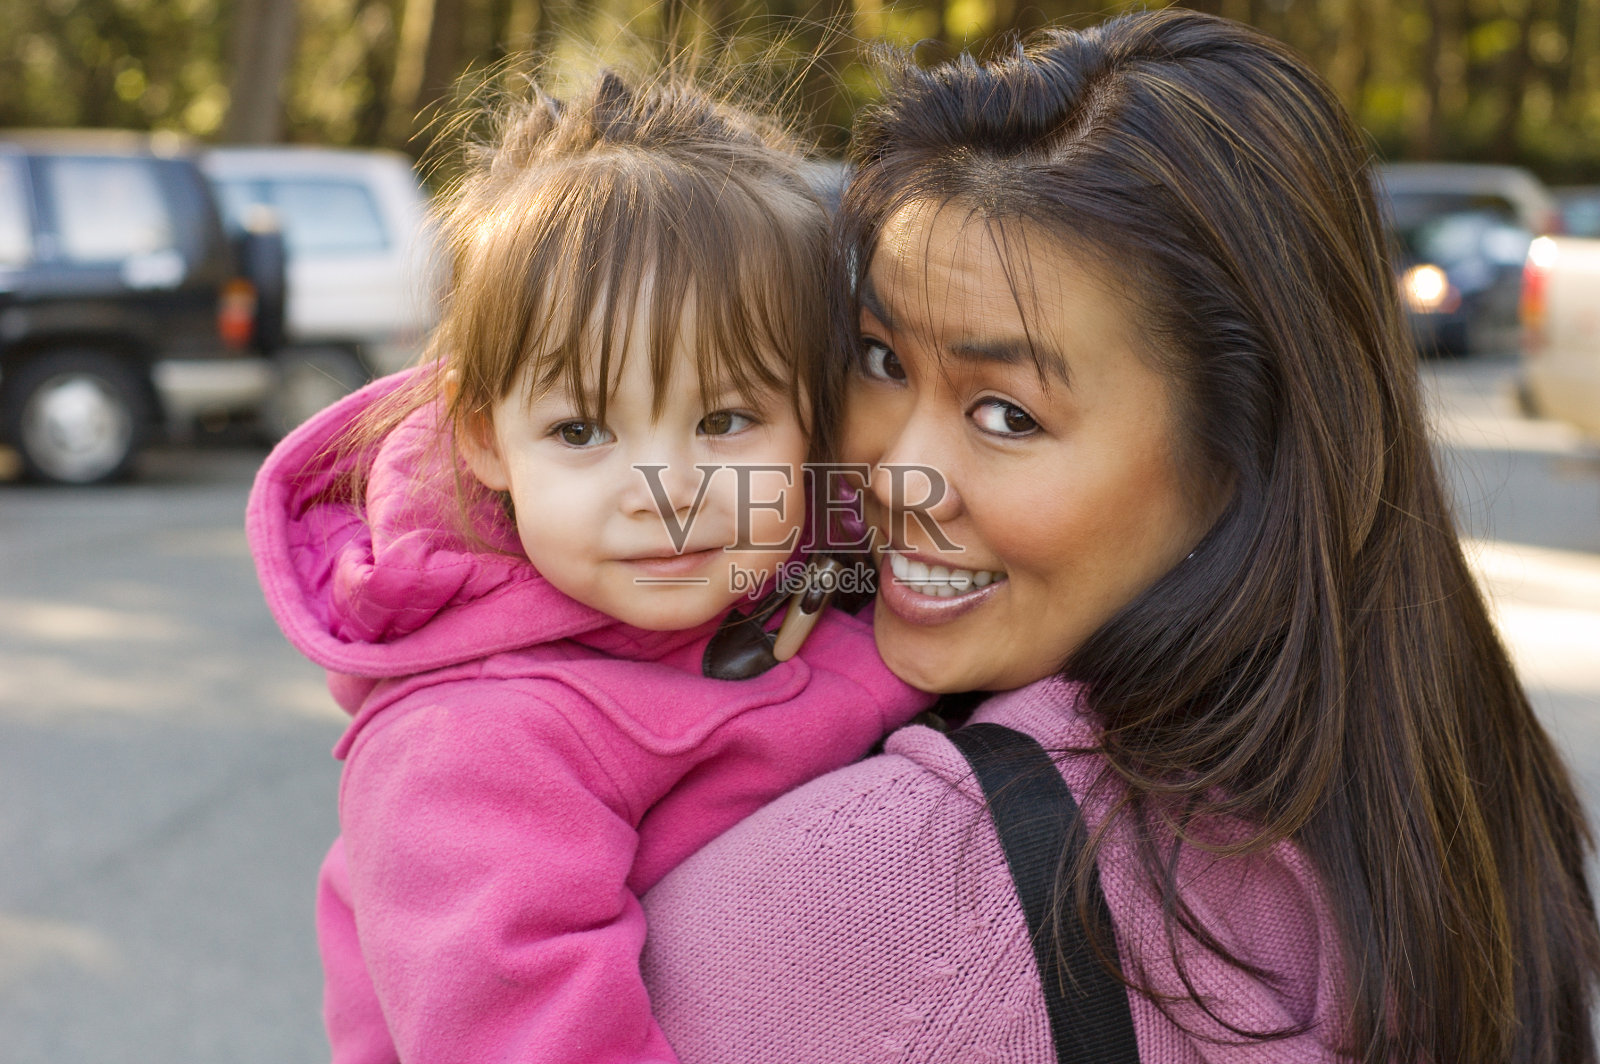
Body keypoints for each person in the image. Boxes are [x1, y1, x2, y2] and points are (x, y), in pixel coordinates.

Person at [641, 11, 1600, 1063]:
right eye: (879, 357)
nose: (892, 474)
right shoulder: (1436, 791)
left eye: (1007, 413)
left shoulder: (889, 897)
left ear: (1238, 459)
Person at [246, 70, 930, 1064]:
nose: (664, 487)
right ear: (485, 438)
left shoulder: (808, 573)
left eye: (725, 420)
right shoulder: (473, 744)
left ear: (812, 420)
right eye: (581, 428)